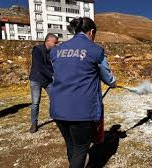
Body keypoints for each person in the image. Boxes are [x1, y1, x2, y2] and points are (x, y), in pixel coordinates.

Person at [49, 17, 116, 168]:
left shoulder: (56, 51)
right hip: (81, 111)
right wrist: (113, 83)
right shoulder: (96, 51)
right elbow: (107, 76)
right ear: (92, 32)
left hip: (58, 108)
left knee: (71, 146)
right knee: (80, 149)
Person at [29, 33, 58, 133]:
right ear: (48, 41)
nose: (56, 44)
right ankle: (34, 123)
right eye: (55, 42)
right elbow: (39, 66)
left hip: (47, 80)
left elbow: (54, 65)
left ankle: (57, 118)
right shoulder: (37, 49)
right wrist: (52, 75)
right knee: (35, 103)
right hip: (36, 80)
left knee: (55, 98)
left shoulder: (52, 52)